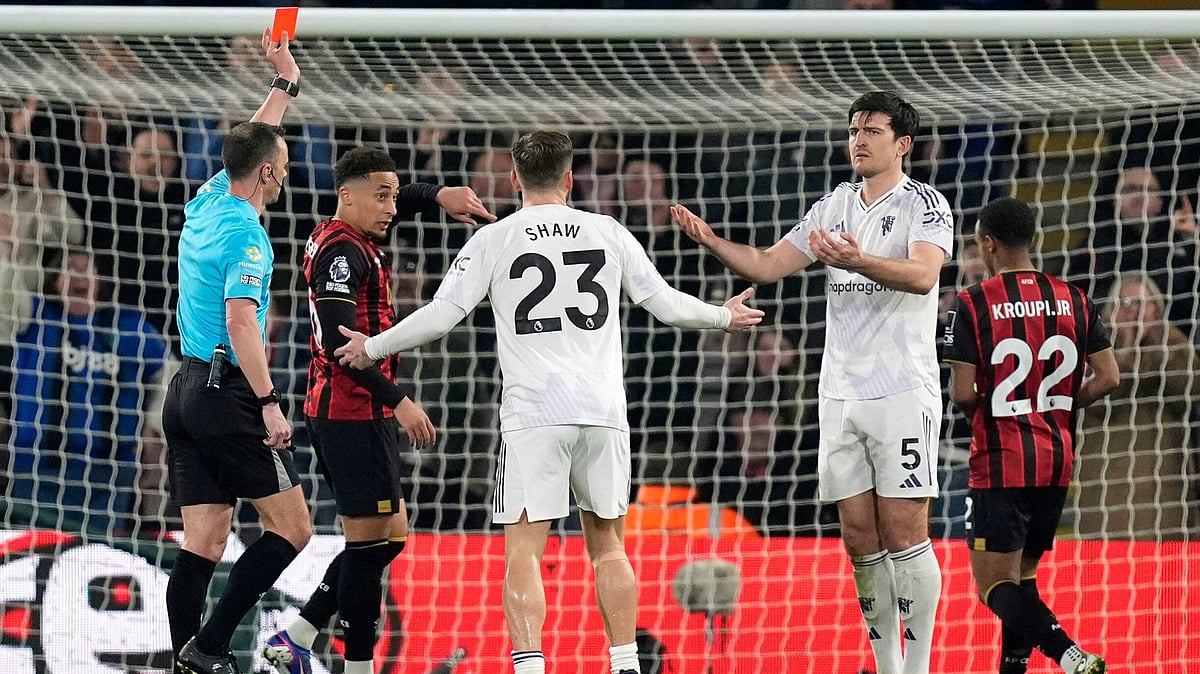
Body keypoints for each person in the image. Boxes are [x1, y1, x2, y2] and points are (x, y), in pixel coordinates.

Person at [334, 130, 763, 674]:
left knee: (524, 552)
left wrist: (371, 346)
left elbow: (442, 315)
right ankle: (626, 664)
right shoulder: (608, 231)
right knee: (608, 546)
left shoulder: (495, 238)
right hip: (603, 413)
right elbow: (666, 304)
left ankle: (532, 666)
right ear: (569, 179)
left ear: (514, 179)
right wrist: (723, 315)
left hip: (534, 416)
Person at [671, 91, 950, 674]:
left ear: (902, 143)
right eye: (853, 129)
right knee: (857, 534)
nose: (858, 139)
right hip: (839, 393)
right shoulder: (832, 206)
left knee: (904, 528)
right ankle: (889, 664)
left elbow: (924, 276)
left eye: (872, 130)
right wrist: (712, 241)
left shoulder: (926, 205)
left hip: (902, 389)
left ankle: (920, 668)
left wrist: (857, 263)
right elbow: (769, 265)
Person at [262, 146, 495, 674]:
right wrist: (402, 402)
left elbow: (401, 196)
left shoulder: (347, 235)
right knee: (370, 547)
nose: (392, 206)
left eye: (394, 194)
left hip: (362, 413)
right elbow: (345, 351)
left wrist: (438, 195)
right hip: (348, 412)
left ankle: (297, 637)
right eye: (381, 195)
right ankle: (357, 665)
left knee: (389, 538)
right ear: (347, 194)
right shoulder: (341, 255)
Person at [160, 29, 313, 674]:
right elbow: (243, 324)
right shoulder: (248, 236)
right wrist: (271, 403)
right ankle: (210, 647)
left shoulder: (208, 202)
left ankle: (182, 660)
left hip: (184, 392)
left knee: (205, 540)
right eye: (280, 168)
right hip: (228, 396)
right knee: (294, 528)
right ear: (271, 175)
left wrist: (283, 85)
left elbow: (249, 146)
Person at [942, 197, 1119, 674]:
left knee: (992, 586)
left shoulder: (974, 302)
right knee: (1023, 577)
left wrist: (994, 406)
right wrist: (1060, 405)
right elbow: (1108, 377)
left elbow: (961, 393)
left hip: (1001, 461)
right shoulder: (1075, 298)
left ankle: (1070, 655)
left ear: (988, 243)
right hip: (1057, 460)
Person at [4, 249, 167, 534]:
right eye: (70, 268)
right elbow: (5, 294)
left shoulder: (128, 326)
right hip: (38, 468)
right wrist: (8, 248)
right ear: (56, 281)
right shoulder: (35, 317)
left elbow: (171, 374)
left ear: (99, 281)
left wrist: (153, 427)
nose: (79, 275)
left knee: (93, 561)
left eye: (86, 268)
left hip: (108, 473)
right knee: (37, 557)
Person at [1073, 272, 1199, 541]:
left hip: (1164, 485)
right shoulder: (1093, 345)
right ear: (1111, 309)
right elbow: (1091, 404)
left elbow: (1190, 393)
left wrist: (1164, 355)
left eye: (1143, 303)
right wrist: (1125, 353)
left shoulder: (1175, 344)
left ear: (1157, 308)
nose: (1134, 312)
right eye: (1126, 302)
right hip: (1104, 486)